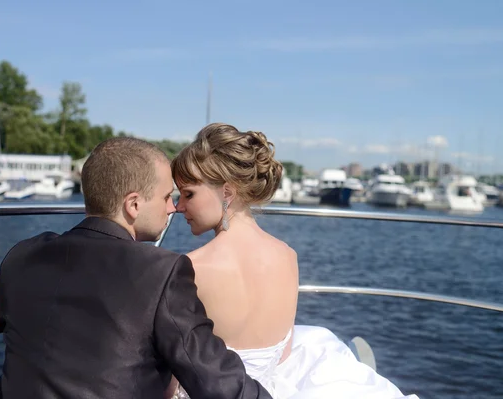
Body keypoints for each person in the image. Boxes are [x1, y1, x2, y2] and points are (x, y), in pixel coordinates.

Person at [0, 137, 273, 399]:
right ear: (133, 204)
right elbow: (218, 384)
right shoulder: (162, 272)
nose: (173, 208)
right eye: (165, 197)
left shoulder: (20, 256)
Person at [170, 123, 419, 399]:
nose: (179, 206)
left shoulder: (189, 268)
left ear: (227, 193)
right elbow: (282, 355)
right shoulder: (288, 256)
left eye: (188, 193)